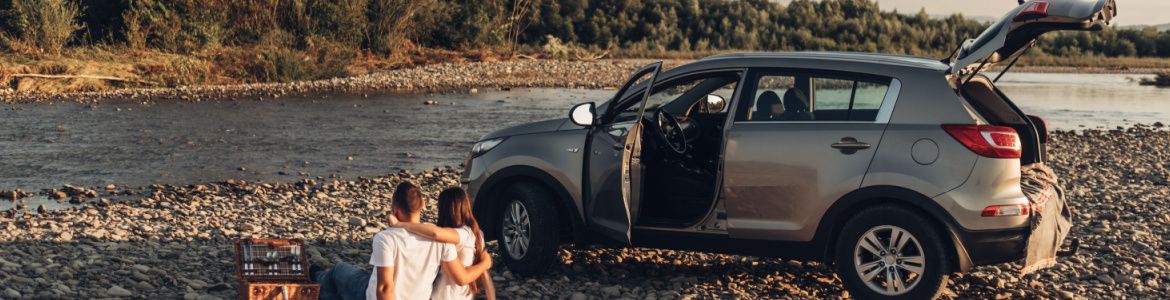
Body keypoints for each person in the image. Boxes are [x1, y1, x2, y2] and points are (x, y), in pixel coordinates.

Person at [314, 182, 492, 300]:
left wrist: (398, 225)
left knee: (339, 271)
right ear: (422, 205)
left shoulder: (386, 238)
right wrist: (485, 264)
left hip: (372, 294)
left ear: (395, 209)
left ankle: (315, 275)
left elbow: (384, 289)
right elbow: (462, 276)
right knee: (358, 276)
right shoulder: (444, 240)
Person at [388, 187, 497, 300]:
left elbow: (435, 233)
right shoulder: (477, 233)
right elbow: (484, 273)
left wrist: (399, 224)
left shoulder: (463, 234)